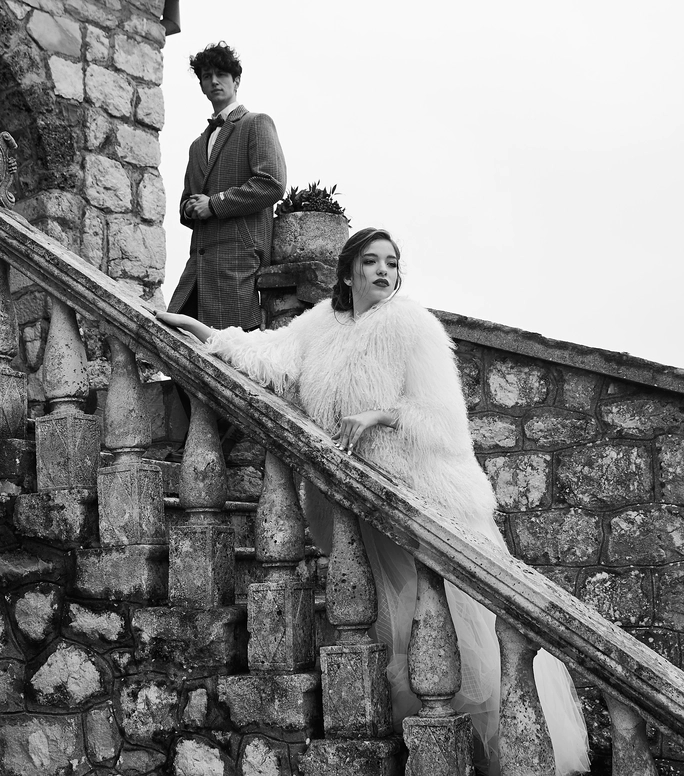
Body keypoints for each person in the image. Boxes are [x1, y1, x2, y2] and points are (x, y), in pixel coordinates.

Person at [156, 228, 590, 776]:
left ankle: (504, 755)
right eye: (371, 261)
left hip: (425, 492)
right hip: (360, 502)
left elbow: (442, 416)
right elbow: (268, 354)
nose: (384, 271)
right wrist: (202, 331)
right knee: (400, 625)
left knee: (470, 625)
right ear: (347, 272)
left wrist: (380, 415)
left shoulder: (412, 325)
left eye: (392, 262)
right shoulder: (320, 324)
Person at [166, 41, 286, 331]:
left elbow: (271, 183)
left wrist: (214, 204)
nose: (214, 81)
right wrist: (190, 208)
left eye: (221, 74)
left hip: (237, 266)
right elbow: (186, 203)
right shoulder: (197, 145)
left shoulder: (256, 123)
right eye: (207, 76)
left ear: (237, 80)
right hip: (198, 268)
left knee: (233, 351)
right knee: (169, 334)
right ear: (202, 86)